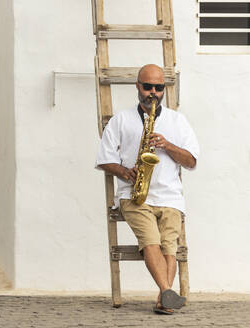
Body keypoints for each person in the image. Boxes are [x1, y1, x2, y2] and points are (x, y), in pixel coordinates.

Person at [95, 64, 199, 314]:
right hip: (135, 196)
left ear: (164, 89)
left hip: (170, 196)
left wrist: (168, 145)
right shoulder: (120, 120)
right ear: (138, 87)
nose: (153, 92)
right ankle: (167, 293)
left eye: (159, 87)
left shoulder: (177, 121)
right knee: (150, 240)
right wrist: (123, 171)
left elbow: (192, 161)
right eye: (148, 86)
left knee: (169, 246)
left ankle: (165, 297)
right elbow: (103, 159)